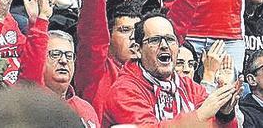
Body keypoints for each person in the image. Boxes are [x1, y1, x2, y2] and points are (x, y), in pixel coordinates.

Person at [100, 13, 241, 126]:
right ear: (138, 50)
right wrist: (200, 116)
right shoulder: (124, 90)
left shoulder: (189, 87)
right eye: (155, 40)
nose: (164, 45)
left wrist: (225, 114)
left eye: (170, 39)